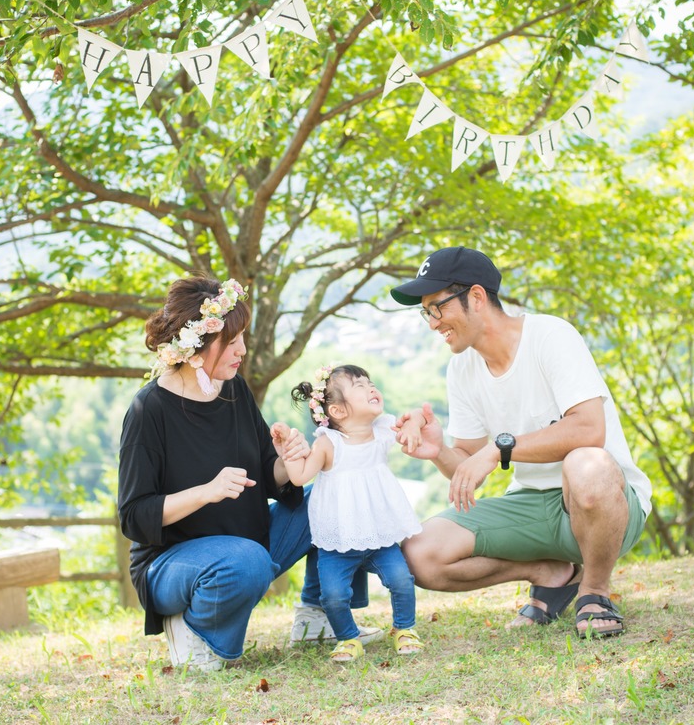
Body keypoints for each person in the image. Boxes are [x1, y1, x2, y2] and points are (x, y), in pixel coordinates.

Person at [117, 275, 379, 672]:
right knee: (245, 561)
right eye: (232, 340)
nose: (242, 349)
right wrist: (206, 491)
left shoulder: (233, 389)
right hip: (171, 564)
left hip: (248, 544)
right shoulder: (148, 410)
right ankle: (195, 631)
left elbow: (266, 475)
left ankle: (318, 616)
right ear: (196, 346)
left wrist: (287, 460)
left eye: (242, 337)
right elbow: (135, 516)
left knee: (336, 495)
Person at [389, 247, 652, 638]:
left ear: (476, 298)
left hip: (601, 502)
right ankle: (551, 573)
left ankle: (594, 590)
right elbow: (468, 466)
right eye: (425, 312)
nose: (432, 323)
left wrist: (499, 448)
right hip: (530, 504)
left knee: (586, 464)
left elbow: (588, 429)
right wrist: (439, 450)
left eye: (437, 308)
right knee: (418, 555)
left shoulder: (550, 335)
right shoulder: (462, 368)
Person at [283, 364, 426, 662]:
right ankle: (348, 638)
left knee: (401, 579)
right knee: (333, 595)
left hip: (380, 534)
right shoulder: (328, 443)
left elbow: (419, 413)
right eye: (359, 386)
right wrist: (289, 453)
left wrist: (414, 424)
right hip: (338, 540)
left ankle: (405, 629)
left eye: (370, 382)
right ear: (337, 411)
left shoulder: (383, 430)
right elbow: (299, 477)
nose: (371, 387)